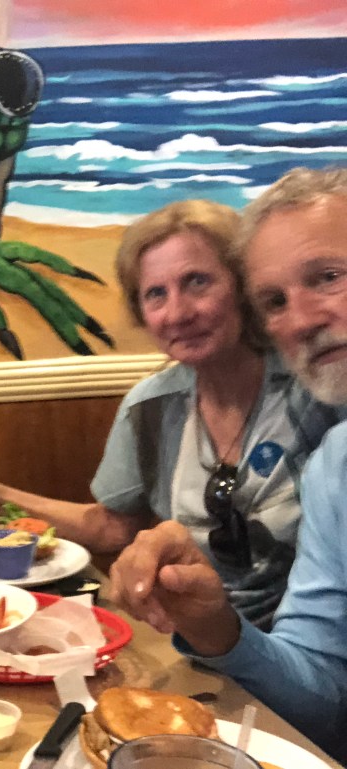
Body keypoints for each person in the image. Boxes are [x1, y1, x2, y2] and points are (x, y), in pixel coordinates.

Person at [0, 199, 340, 628]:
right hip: (196, 636)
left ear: (244, 288)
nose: (178, 313)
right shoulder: (150, 406)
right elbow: (113, 527)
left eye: (197, 282)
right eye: (156, 294)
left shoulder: (320, 385)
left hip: (315, 642)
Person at [108, 167, 347, 763]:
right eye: (276, 300)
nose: (301, 319)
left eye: (329, 276)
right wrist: (215, 627)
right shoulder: (337, 466)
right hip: (231, 672)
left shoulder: (316, 403)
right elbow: (327, 690)